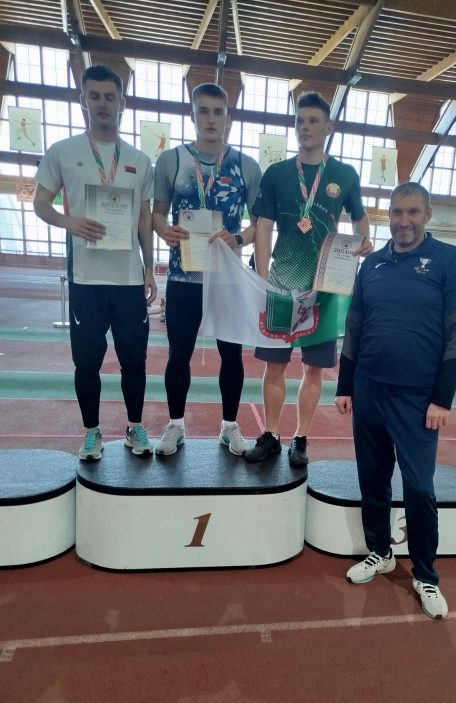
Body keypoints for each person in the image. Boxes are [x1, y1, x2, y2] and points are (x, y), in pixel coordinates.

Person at [335, 182, 456, 620]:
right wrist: (344, 384)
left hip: (417, 399)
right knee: (372, 479)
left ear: (427, 214)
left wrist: (442, 399)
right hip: (369, 390)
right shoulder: (372, 264)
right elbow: (354, 326)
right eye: (397, 212)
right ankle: (380, 551)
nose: (404, 221)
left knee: (418, 488)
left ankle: (426, 574)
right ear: (389, 216)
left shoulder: (450, 261)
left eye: (413, 212)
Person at [34, 64, 156, 461]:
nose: (103, 104)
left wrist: (150, 269)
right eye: (95, 96)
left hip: (128, 279)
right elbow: (40, 204)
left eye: (110, 97)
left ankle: (135, 427)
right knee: (86, 363)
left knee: (134, 361)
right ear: (83, 100)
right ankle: (92, 433)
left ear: (123, 103)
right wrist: (69, 222)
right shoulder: (63, 152)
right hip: (86, 279)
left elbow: (144, 219)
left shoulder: (139, 159)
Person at [244, 91, 372, 467]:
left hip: (324, 286)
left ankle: (300, 437)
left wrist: (364, 240)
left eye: (313, 121)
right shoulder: (277, 173)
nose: (305, 127)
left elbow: (359, 217)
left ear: (328, 127)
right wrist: (263, 280)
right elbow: (263, 227)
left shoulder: (344, 175)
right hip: (281, 282)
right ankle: (270, 434)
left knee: (313, 367)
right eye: (300, 121)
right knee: (274, 365)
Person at [152, 83, 261, 456]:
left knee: (232, 356)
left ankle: (229, 427)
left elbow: (259, 225)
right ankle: (176, 425)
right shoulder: (172, 160)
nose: (210, 119)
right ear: (193, 114)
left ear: (228, 118)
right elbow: (156, 213)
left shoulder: (246, 166)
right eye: (203, 111)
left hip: (226, 279)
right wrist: (163, 230)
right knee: (178, 354)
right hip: (183, 278)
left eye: (218, 112)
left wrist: (239, 239)